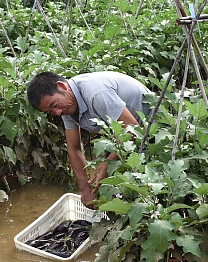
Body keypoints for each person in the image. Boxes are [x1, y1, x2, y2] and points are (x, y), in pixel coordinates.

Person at [27, 70, 150, 205]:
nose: (58, 112)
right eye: (50, 112)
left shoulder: (95, 94)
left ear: (62, 86)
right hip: (124, 135)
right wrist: (85, 190)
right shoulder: (67, 106)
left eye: (54, 105)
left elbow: (132, 128)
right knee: (112, 189)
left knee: (144, 188)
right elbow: (74, 149)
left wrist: (106, 164)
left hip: (153, 128)